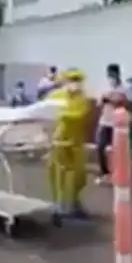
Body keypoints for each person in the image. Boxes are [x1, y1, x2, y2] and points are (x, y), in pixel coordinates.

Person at [45, 69, 92, 217]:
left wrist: (61, 114)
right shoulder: (55, 96)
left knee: (78, 175)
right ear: (65, 81)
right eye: (72, 80)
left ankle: (73, 202)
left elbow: (79, 115)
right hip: (58, 142)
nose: (75, 84)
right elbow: (44, 113)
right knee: (58, 174)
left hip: (75, 143)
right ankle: (58, 204)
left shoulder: (82, 99)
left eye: (78, 80)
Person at [94, 64, 128, 184]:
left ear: (118, 74)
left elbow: (126, 104)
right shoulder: (104, 87)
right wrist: (103, 100)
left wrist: (113, 100)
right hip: (105, 121)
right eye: (109, 75)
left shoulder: (124, 88)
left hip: (118, 123)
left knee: (117, 150)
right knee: (100, 146)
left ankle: (119, 173)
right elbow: (98, 104)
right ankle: (104, 172)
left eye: (113, 74)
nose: (111, 77)